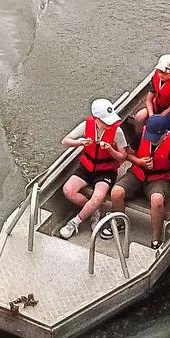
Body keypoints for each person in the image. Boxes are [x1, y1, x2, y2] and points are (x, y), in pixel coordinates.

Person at [107, 92, 170, 250]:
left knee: (157, 200)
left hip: (158, 178)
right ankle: (119, 223)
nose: (151, 140)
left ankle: (156, 238)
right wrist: (138, 161)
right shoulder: (140, 137)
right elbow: (128, 155)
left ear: (164, 134)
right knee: (116, 192)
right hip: (137, 173)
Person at [56, 98, 128, 240]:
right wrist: (79, 142)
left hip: (106, 170)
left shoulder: (117, 131)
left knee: (98, 196)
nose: (110, 123)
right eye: (105, 121)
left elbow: (123, 157)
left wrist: (111, 150)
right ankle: (94, 210)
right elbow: (66, 141)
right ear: (97, 119)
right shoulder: (86, 126)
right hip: (87, 166)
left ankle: (75, 222)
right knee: (68, 190)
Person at [130, 52, 170, 137]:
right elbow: (149, 99)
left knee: (162, 126)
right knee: (139, 117)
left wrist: (156, 119)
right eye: (160, 71)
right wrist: (151, 115)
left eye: (165, 73)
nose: (161, 75)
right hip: (158, 105)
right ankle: (139, 138)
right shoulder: (156, 77)